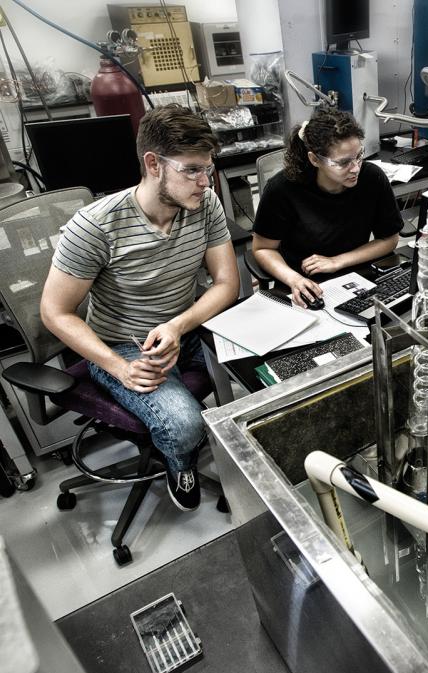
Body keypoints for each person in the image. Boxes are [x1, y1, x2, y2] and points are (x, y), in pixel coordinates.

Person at [41, 104, 239, 511]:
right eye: (192, 170)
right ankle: (178, 459)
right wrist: (119, 366)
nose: (206, 182)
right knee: (185, 427)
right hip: (124, 345)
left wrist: (179, 326)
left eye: (209, 168)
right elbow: (55, 312)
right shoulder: (95, 226)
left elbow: (226, 284)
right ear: (153, 163)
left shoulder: (205, 206)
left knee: (263, 371)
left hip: (187, 330)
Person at [252, 107, 403, 307]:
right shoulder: (283, 189)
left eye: (358, 156)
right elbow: (262, 248)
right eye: (343, 163)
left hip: (356, 275)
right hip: (305, 285)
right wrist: (294, 279)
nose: (356, 168)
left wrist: (337, 261)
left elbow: (390, 239)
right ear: (314, 159)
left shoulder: (372, 178)